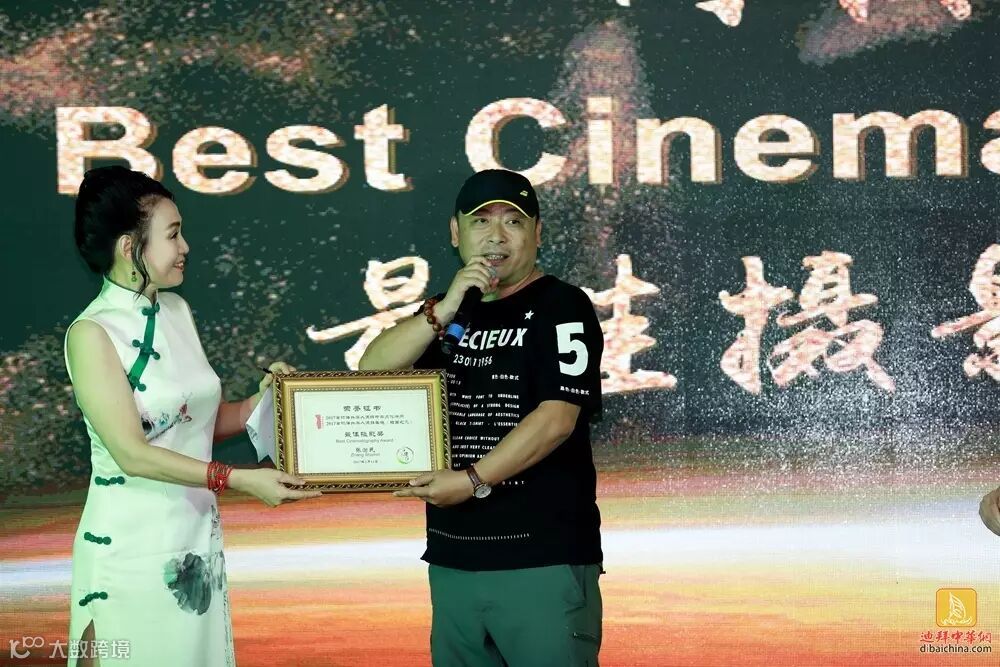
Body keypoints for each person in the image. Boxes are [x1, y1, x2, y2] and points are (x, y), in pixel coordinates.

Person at [64, 166, 321, 666]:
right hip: (130, 547)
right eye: (173, 234)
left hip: (195, 539)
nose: (185, 247)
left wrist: (267, 401)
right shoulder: (91, 333)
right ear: (129, 247)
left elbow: (194, 423)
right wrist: (238, 479)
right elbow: (133, 454)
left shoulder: (177, 310)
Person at [360, 169, 605, 666]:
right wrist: (447, 306)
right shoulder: (447, 314)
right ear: (456, 233)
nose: (497, 236)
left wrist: (471, 480)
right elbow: (372, 370)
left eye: (513, 221)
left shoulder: (564, 306)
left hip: (540, 557)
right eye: (481, 222)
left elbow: (557, 419)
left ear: (537, 233)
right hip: (453, 557)